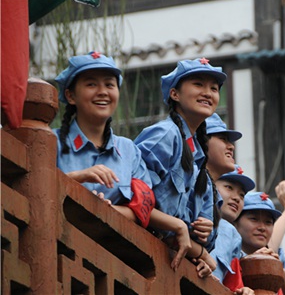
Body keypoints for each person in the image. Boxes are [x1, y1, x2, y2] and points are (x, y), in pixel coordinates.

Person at [53, 51, 191, 272]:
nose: (102, 92)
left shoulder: (128, 151)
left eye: (109, 85)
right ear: (70, 96)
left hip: (109, 266)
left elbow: (142, 208)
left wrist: (109, 211)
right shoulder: (51, 142)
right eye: (91, 84)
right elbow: (34, 184)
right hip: (58, 255)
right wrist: (79, 179)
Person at [134, 57, 226, 272]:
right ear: (175, 94)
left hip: (165, 262)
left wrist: (202, 233)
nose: (207, 92)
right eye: (198, 84)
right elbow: (134, 197)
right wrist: (177, 227)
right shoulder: (165, 135)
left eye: (213, 88)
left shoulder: (200, 160)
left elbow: (204, 240)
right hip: (140, 250)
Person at [234, 192, 285, 295]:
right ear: (235, 222)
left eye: (268, 222)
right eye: (254, 219)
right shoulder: (228, 256)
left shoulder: (274, 263)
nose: (262, 227)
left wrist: (278, 268)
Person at [210, 166, 256, 295]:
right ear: (210, 184)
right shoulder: (193, 213)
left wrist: (243, 291)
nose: (237, 198)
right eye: (229, 188)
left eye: (242, 195)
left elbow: (232, 285)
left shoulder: (233, 236)